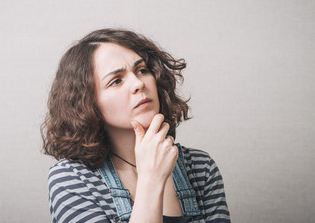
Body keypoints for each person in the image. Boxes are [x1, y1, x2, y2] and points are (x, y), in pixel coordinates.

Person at [42, 28, 230, 223]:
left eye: (142, 70)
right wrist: (151, 179)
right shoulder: (71, 179)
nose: (138, 83)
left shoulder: (201, 168)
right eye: (116, 81)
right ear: (88, 104)